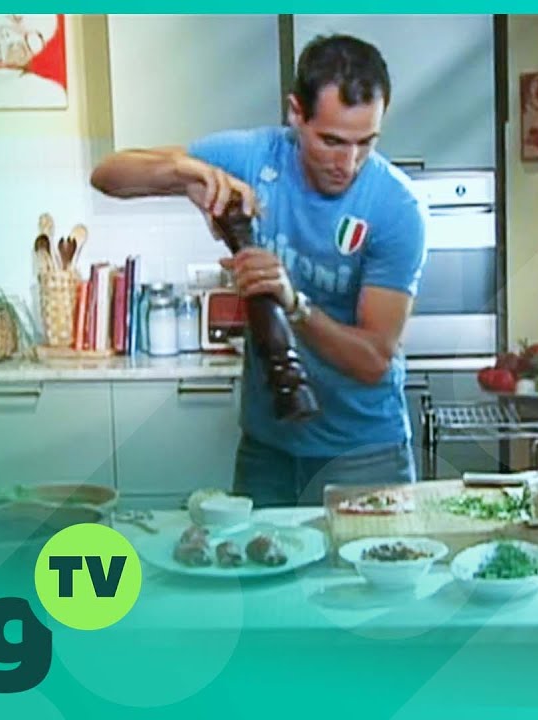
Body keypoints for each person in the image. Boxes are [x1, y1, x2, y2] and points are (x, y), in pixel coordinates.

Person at [90, 35, 427, 507]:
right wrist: (186, 172)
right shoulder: (255, 158)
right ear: (296, 114)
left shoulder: (397, 207)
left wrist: (295, 303)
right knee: (258, 557)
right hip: (269, 448)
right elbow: (108, 174)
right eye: (331, 140)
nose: (347, 163)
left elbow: (373, 360)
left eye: (365, 142)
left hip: (364, 454)